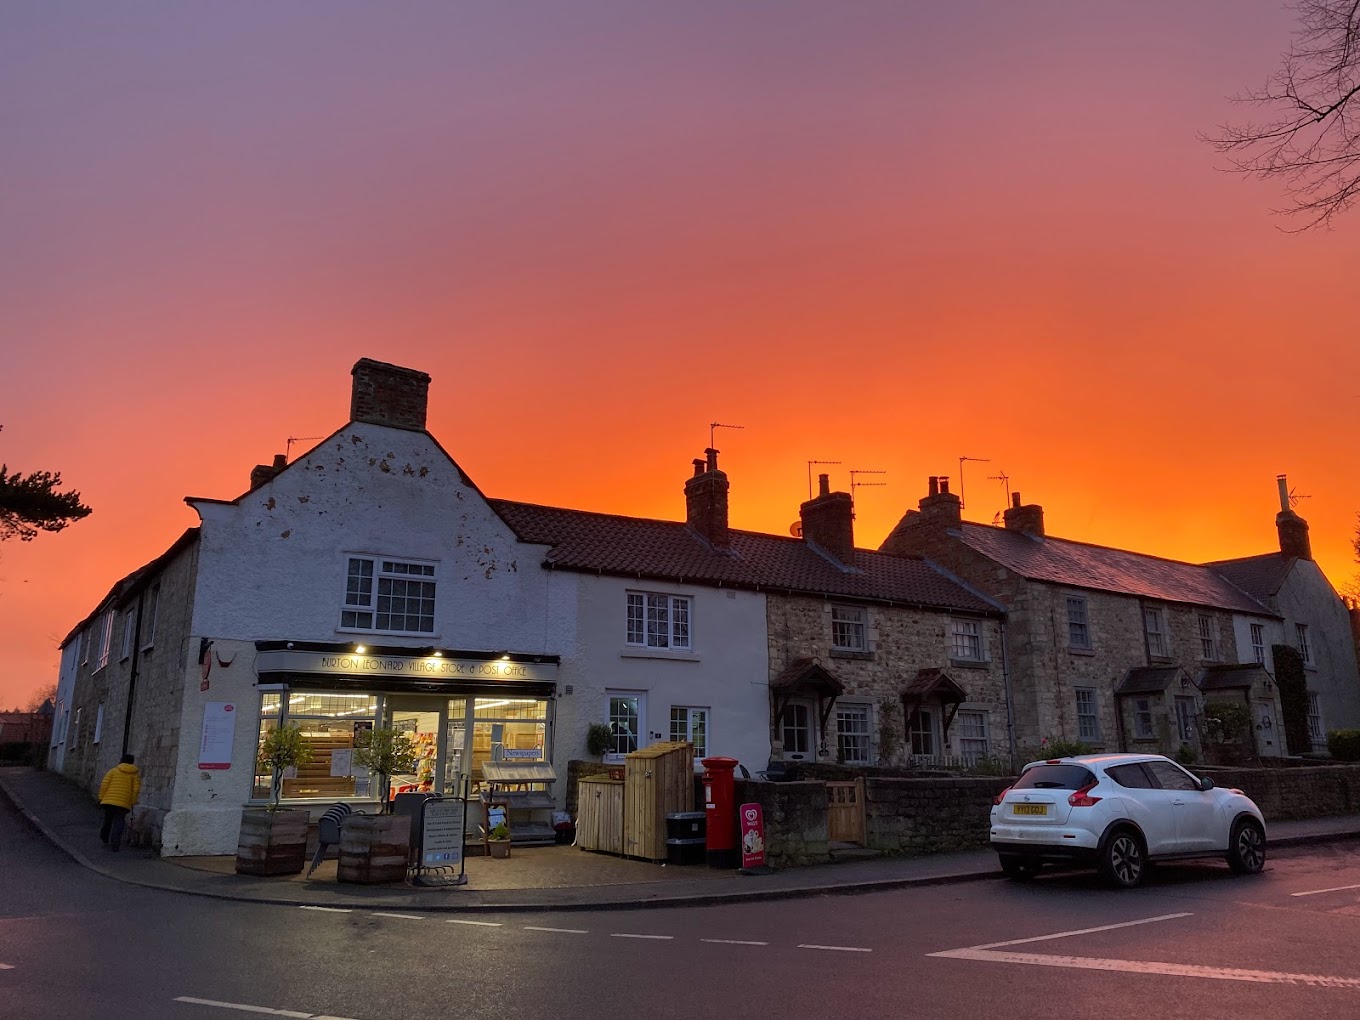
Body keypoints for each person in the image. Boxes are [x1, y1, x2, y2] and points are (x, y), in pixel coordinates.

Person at [98, 753, 141, 852]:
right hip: (123, 803)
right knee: (119, 822)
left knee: (108, 820)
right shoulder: (134, 775)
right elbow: (136, 790)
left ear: (121, 761)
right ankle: (115, 843)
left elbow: (104, 784)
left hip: (109, 801)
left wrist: (101, 797)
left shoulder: (113, 771)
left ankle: (104, 838)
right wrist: (132, 802)